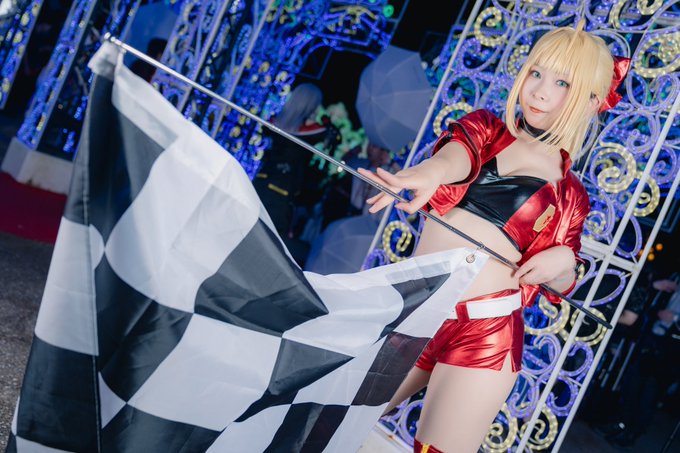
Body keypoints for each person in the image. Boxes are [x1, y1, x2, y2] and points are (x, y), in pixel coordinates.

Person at [359, 22, 629, 452]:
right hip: (415, 307)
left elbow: (564, 282)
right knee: (323, 422)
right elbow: (455, 157)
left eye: (562, 83)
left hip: (486, 332)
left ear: (592, 101)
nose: (539, 91)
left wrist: (564, 263)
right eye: (536, 73)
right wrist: (428, 173)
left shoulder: (570, 194)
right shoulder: (487, 128)